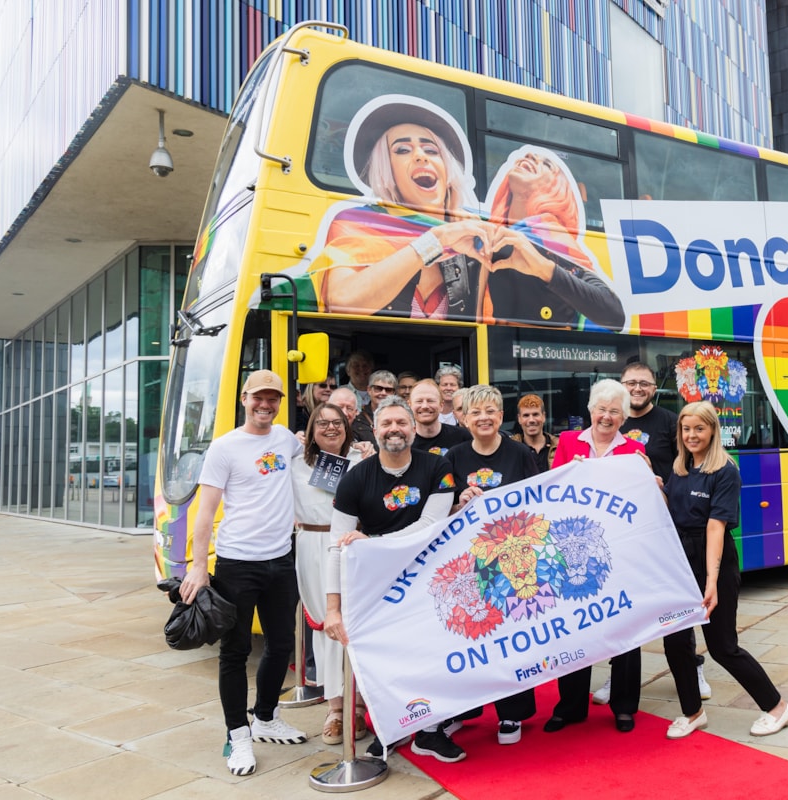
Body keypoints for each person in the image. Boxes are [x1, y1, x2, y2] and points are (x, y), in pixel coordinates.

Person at [178, 370, 307, 776]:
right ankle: (238, 736)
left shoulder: (287, 439)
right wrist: (200, 567)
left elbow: (313, 472)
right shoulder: (225, 447)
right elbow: (206, 512)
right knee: (233, 652)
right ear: (244, 398)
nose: (265, 405)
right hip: (237, 564)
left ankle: (265, 717)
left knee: (281, 644)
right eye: (259, 398)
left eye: (274, 399)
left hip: (282, 560)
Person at [323, 396, 461, 762]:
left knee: (431, 657)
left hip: (429, 581)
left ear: (414, 429)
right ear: (376, 430)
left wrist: (374, 542)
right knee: (387, 662)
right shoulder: (355, 479)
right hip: (377, 587)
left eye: (402, 422)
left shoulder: (438, 467)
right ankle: (389, 728)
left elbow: (429, 527)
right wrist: (332, 608)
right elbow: (336, 546)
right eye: (387, 424)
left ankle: (429, 732)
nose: (394, 429)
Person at [661, 401, 788, 740]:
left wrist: (712, 582)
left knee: (722, 646)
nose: (692, 435)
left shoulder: (725, 470)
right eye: (686, 429)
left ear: (713, 431)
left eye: (699, 429)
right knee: (675, 643)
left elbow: (715, 528)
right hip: (680, 561)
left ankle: (777, 708)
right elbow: (672, 513)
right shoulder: (679, 468)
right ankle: (693, 713)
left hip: (713, 559)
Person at [307, 95, 492, 318]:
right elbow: (342, 301)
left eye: (431, 150)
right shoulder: (356, 223)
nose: (420, 156)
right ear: (388, 170)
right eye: (403, 150)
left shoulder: (475, 233)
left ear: (446, 168)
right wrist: (435, 241)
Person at [543, 379, 646, 734]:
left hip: (618, 552)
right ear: (590, 410)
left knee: (625, 628)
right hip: (572, 549)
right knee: (574, 628)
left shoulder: (633, 450)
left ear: (624, 416)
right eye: (601, 409)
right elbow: (552, 490)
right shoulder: (569, 442)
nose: (606, 417)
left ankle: (624, 705)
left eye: (614, 411)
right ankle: (570, 706)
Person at [609, 361, 711, 705]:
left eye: (644, 383)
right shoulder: (612, 419)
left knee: (678, 597)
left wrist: (661, 485)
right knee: (624, 603)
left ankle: (693, 664)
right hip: (625, 529)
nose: (637, 388)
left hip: (668, 525)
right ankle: (619, 676)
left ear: (655, 388)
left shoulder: (670, 422)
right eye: (630, 383)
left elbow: (686, 467)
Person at [444, 385, 540, 745]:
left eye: (491, 411)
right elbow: (443, 511)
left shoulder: (519, 453)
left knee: (510, 638)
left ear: (501, 417)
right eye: (476, 412)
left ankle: (512, 714)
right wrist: (459, 503)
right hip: (469, 562)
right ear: (464, 418)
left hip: (511, 560)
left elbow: (537, 502)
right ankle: (464, 711)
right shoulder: (452, 456)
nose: (483, 417)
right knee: (471, 635)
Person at [479, 144, 625, 330]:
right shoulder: (483, 240)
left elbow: (615, 315)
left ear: (557, 190)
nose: (530, 154)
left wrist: (542, 268)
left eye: (547, 164)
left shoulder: (557, 251)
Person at [292, 402, 370, 745]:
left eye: (337, 422)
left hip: (351, 544)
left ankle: (358, 705)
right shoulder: (295, 462)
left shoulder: (362, 460)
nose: (330, 428)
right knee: (325, 625)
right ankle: (335, 707)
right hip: (312, 544)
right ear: (311, 429)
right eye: (322, 423)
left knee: (354, 624)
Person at [409, 379, 472, 455]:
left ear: (441, 405)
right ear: (410, 405)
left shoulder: (463, 437)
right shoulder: (404, 442)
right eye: (419, 401)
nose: (425, 406)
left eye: (430, 401)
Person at [511, 393, 558, 472]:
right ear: (519, 419)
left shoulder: (560, 447)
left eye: (535, 414)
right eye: (526, 415)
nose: (531, 420)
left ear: (543, 416)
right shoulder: (510, 449)